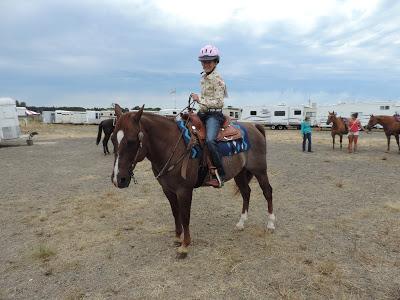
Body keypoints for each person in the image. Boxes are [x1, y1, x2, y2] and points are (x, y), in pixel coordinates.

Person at [191, 45, 227, 188]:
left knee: (211, 141)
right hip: (203, 113)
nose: (206, 64)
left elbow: (219, 102)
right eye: (203, 62)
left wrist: (200, 100)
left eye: (209, 61)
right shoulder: (203, 78)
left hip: (214, 115)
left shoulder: (219, 81)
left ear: (216, 62)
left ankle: (221, 174)